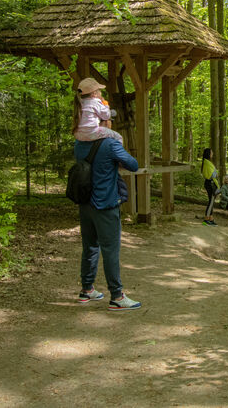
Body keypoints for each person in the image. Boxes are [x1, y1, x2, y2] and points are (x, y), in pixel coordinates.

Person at [74, 116, 140, 310]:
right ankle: (117, 296)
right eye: (109, 119)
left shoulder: (79, 143)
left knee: (90, 247)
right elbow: (133, 165)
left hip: (85, 204)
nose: (112, 122)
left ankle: (87, 289)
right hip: (105, 204)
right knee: (111, 249)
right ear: (104, 123)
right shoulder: (110, 144)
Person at [72, 77, 124, 143]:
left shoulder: (80, 103)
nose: (100, 92)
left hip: (79, 135)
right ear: (94, 94)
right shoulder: (95, 101)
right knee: (118, 137)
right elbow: (106, 116)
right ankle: (117, 152)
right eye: (99, 90)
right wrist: (105, 104)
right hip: (92, 133)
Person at [201, 148, 219, 226]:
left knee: (211, 201)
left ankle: (210, 218)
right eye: (211, 152)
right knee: (211, 201)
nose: (212, 154)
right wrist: (216, 172)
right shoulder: (207, 163)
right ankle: (206, 218)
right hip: (210, 184)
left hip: (209, 183)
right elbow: (212, 175)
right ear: (208, 154)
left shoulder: (206, 162)